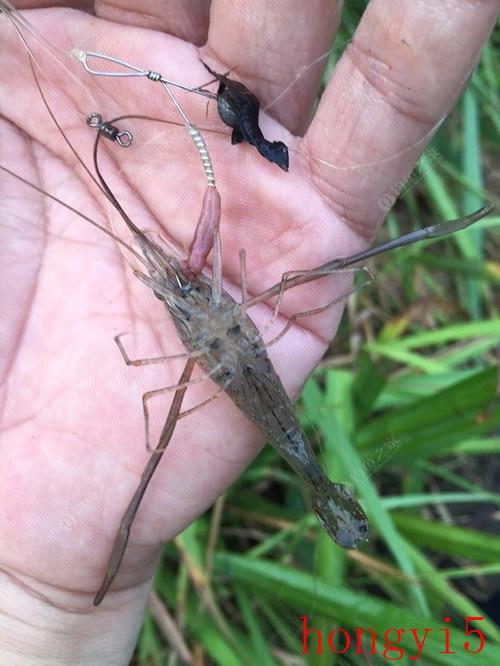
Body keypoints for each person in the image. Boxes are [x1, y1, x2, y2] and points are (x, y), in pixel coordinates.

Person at [0, 0, 497, 663]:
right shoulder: (202, 280)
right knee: (290, 276)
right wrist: (36, 600)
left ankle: (454, 228)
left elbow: (160, 402)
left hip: (237, 365)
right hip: (240, 356)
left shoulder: (180, 339)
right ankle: (460, 225)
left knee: (172, 400)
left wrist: (37, 604)